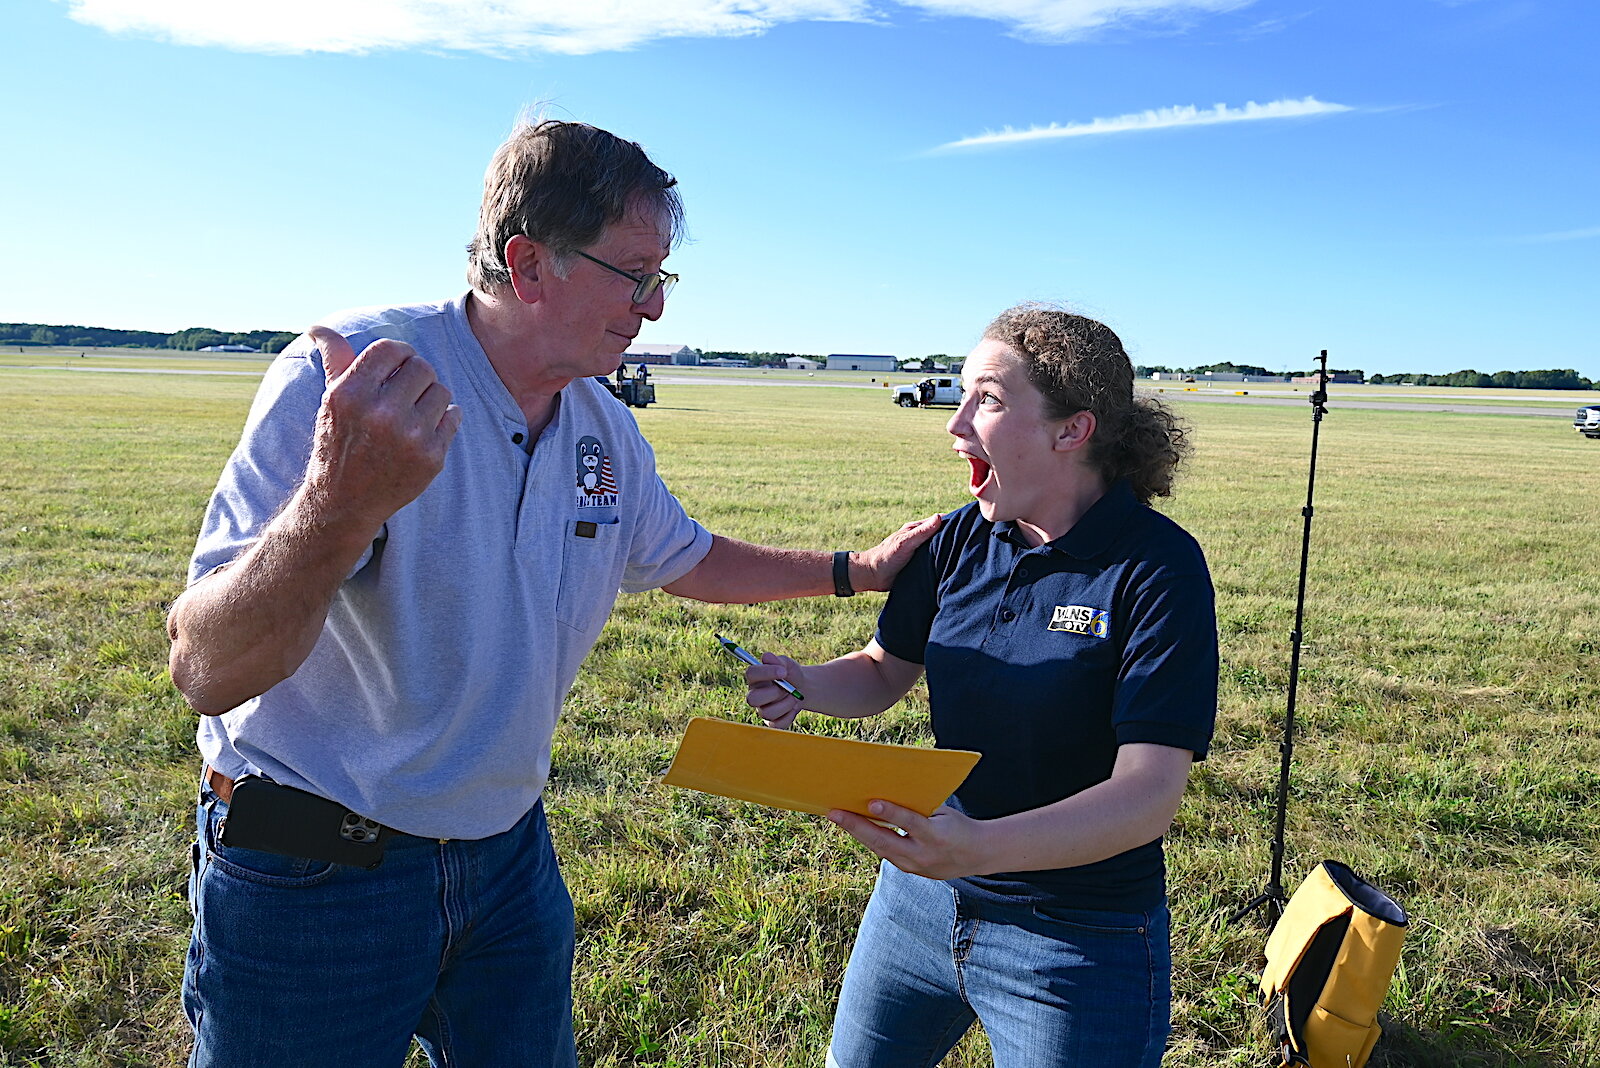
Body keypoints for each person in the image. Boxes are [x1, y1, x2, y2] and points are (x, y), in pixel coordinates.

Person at [165, 118, 938, 1068]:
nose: (653, 308)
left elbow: (687, 557)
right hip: (316, 868)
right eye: (635, 274)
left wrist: (852, 572)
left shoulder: (598, 424)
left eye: (663, 279)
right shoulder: (364, 384)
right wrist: (340, 502)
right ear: (528, 264)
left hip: (505, 859)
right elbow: (206, 669)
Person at [742, 304, 1217, 1067]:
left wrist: (979, 849)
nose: (955, 421)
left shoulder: (1156, 569)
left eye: (987, 399)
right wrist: (806, 684)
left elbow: (1149, 796)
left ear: (1073, 430)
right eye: (962, 395)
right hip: (921, 902)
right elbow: (884, 669)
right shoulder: (962, 537)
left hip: (1076, 938)